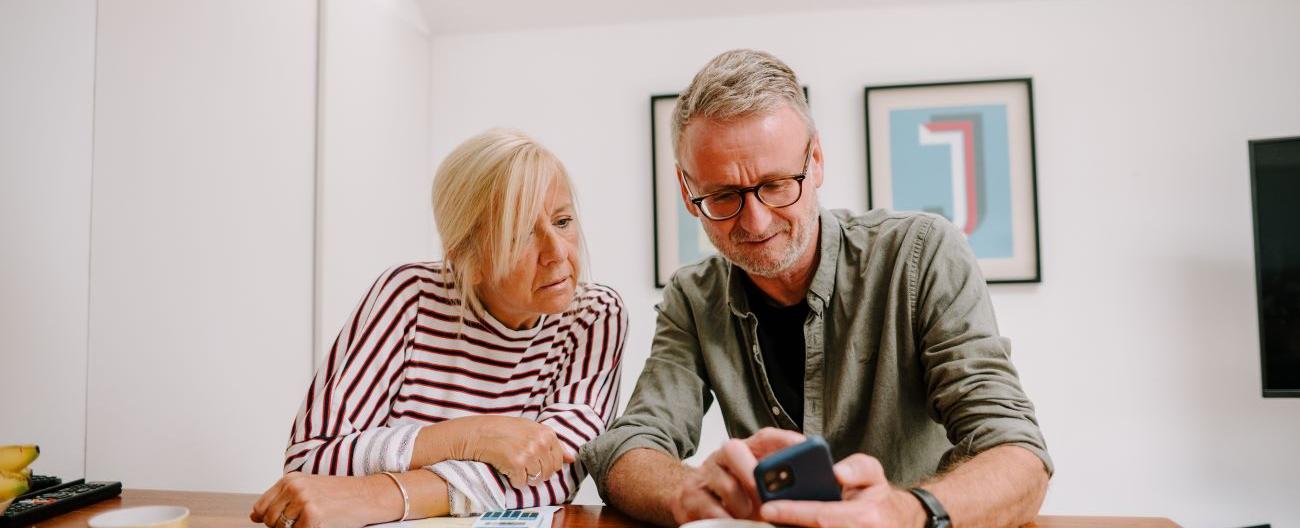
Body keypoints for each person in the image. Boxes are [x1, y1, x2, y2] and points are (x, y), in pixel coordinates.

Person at [579, 49, 1051, 528]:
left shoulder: (922, 253)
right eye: (723, 196)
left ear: (817, 161)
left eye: (777, 184)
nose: (756, 221)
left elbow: (1020, 455)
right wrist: (688, 491)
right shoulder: (693, 297)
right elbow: (629, 444)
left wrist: (906, 512)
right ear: (688, 193)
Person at [251, 129, 626, 528]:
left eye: (563, 221)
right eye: (518, 235)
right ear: (467, 259)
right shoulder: (408, 296)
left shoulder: (594, 316)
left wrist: (383, 495)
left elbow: (553, 472)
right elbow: (310, 459)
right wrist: (473, 436)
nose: (557, 253)